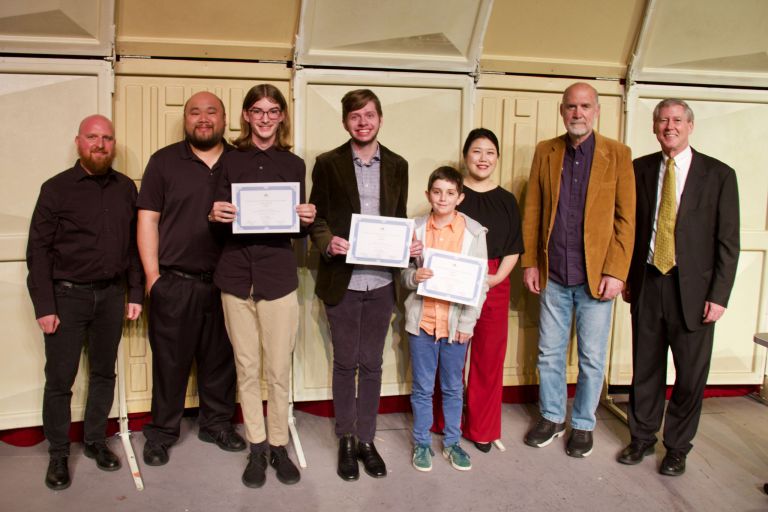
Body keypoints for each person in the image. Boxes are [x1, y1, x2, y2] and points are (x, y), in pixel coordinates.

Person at [618, 99, 739, 476]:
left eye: (676, 120)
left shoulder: (719, 175)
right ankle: (641, 438)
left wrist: (719, 296)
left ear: (690, 126)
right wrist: (625, 276)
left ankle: (677, 448)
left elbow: (727, 242)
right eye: (662, 120)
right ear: (654, 127)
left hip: (696, 293)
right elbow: (629, 228)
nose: (669, 126)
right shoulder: (639, 169)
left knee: (690, 375)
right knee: (646, 369)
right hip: (649, 283)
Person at [26, 114, 143, 490]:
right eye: (93, 137)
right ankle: (59, 453)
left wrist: (135, 293)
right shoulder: (56, 189)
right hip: (66, 297)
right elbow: (38, 251)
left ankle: (95, 441)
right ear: (78, 141)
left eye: (107, 138)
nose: (101, 144)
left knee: (103, 373)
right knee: (60, 380)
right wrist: (44, 305)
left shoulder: (126, 188)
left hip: (111, 295)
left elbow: (133, 247)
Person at [308, 88, 419, 481]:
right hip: (343, 280)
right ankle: (346, 440)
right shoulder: (327, 163)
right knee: (344, 362)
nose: (363, 122)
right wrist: (327, 241)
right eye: (355, 116)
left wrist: (410, 245)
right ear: (345, 122)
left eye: (369, 115)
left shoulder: (399, 165)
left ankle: (367, 440)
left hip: (381, 283)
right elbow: (316, 220)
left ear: (380, 119)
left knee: (372, 363)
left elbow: (400, 218)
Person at [208, 84, 315, 488]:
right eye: (258, 111)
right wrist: (214, 214)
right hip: (235, 277)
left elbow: (297, 230)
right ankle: (256, 446)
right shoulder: (230, 162)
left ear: (282, 117)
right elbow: (218, 218)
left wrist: (305, 220)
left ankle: (278, 444)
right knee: (247, 367)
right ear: (247, 116)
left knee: (277, 368)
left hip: (278, 278)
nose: (266, 118)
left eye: (273, 111)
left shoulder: (295, 165)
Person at [521, 82, 635, 458]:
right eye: (571, 106)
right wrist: (531, 262)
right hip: (553, 272)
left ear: (597, 111)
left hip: (597, 278)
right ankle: (552, 417)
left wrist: (617, 271)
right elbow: (534, 208)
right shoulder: (546, 151)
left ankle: (583, 423)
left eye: (585, 106)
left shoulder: (618, 154)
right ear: (562, 110)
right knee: (548, 353)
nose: (578, 113)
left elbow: (626, 219)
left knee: (591, 358)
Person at [137, 91, 245, 466]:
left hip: (227, 281)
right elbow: (147, 219)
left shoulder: (242, 161)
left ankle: (217, 424)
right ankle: (163, 432)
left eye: (211, 111)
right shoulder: (164, 162)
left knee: (222, 361)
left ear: (224, 118)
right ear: (185, 120)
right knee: (170, 363)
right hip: (175, 281)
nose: (203, 118)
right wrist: (153, 278)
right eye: (195, 112)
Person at [403, 166, 488, 472]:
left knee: (453, 387)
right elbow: (403, 275)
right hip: (422, 321)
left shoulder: (474, 233)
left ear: (460, 197)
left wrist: (467, 324)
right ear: (428, 195)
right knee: (423, 388)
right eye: (437, 192)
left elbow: (479, 285)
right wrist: (415, 276)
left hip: (455, 326)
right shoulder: (414, 228)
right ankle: (422, 443)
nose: (443, 198)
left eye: (450, 193)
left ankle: (452, 442)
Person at [458, 128, 523, 452]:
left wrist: (496, 279)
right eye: (476, 151)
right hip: (455, 281)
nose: (483, 158)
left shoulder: (507, 199)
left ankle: (482, 428)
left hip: (494, 280)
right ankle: (447, 422)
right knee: (452, 354)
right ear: (465, 156)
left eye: (489, 153)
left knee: (488, 358)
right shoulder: (453, 194)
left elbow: (515, 247)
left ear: (497, 158)